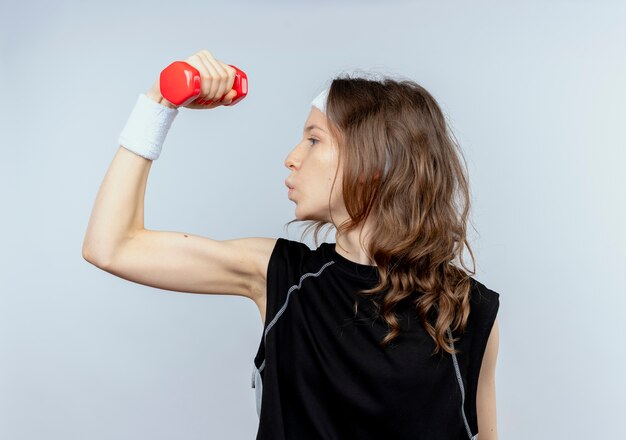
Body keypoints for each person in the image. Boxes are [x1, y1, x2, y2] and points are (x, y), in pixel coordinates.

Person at [82, 49, 500, 440]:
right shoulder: (281, 277)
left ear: (373, 161)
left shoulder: (470, 308)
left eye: (314, 139)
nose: (291, 157)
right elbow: (111, 246)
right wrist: (161, 102)